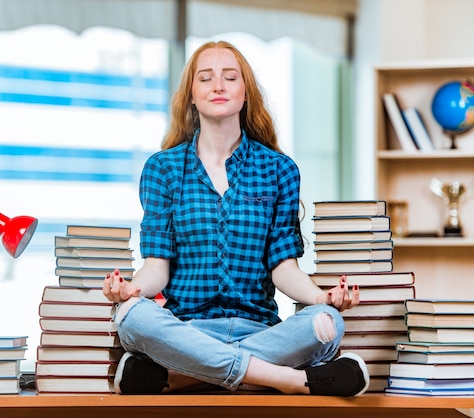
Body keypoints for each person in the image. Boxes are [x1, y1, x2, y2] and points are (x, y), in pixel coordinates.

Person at [103, 40, 369, 397]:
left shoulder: (279, 169)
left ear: (246, 94)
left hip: (261, 331)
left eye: (230, 77)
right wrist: (131, 291)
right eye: (206, 78)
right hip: (188, 329)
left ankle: (184, 377)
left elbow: (284, 268)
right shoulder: (162, 169)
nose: (218, 86)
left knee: (327, 323)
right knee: (131, 316)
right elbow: (157, 267)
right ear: (191, 97)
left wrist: (322, 298)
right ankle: (290, 380)